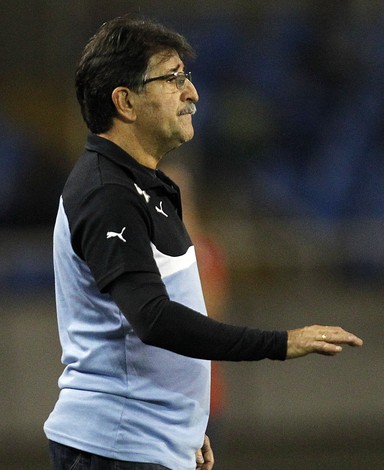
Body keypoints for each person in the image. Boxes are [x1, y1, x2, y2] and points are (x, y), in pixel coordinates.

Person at [44, 15, 363, 470]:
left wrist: (183, 429)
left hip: (146, 443)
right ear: (126, 102)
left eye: (185, 77)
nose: (191, 92)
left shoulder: (142, 185)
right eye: (172, 79)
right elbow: (152, 318)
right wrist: (277, 342)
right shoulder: (106, 194)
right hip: (115, 448)